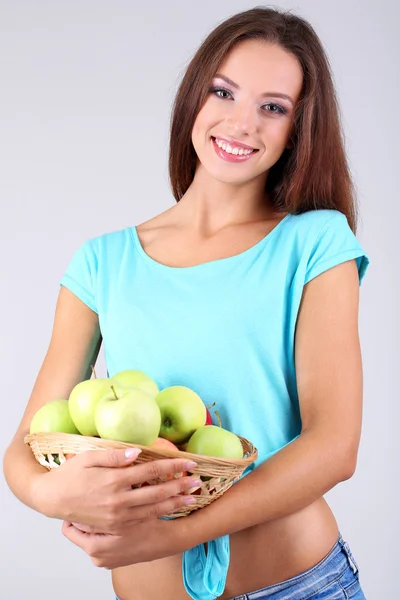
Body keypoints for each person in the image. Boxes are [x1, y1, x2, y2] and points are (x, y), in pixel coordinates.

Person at [3, 6, 370, 600]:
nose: (241, 122)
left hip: (297, 587)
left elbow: (334, 448)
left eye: (272, 107)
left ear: (298, 126)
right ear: (194, 97)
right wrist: (53, 495)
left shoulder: (316, 243)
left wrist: (175, 535)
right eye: (224, 92)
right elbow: (25, 449)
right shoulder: (102, 263)